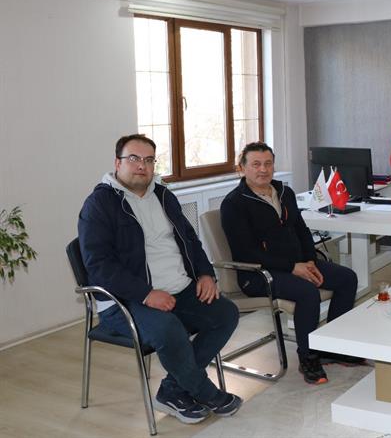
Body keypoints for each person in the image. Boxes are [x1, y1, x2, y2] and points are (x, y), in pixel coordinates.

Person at [78, 134, 242, 424]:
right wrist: (146, 293)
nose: (142, 165)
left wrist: (205, 273)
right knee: (169, 329)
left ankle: (172, 390)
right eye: (133, 159)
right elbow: (99, 266)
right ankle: (206, 392)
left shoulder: (164, 196)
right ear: (117, 163)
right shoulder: (99, 204)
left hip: (178, 288)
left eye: (149, 160)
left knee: (225, 313)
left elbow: (190, 240)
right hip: (125, 300)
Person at [219, 142, 362, 385]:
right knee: (307, 292)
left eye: (268, 163)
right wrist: (293, 267)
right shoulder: (234, 203)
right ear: (242, 168)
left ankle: (332, 347)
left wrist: (310, 260)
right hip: (258, 274)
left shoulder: (284, 192)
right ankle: (308, 357)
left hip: (297, 264)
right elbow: (247, 252)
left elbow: (301, 230)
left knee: (347, 278)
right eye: (256, 164)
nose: (263, 169)